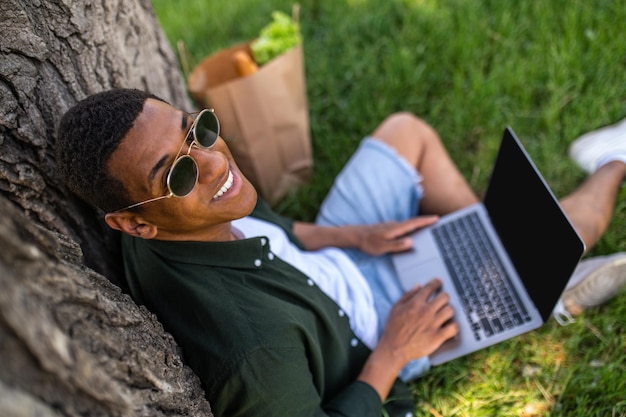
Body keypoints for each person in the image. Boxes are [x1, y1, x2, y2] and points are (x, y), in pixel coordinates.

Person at [55, 88, 626, 417]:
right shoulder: (254, 353)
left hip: (333, 262)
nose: (213, 161)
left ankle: (493, 255)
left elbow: (277, 233)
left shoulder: (187, 216)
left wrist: (354, 236)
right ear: (134, 222)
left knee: (406, 131)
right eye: (178, 173)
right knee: (565, 229)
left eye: (195, 131)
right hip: (376, 322)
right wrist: (393, 353)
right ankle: (612, 163)